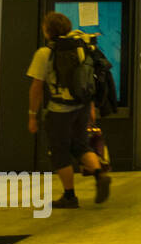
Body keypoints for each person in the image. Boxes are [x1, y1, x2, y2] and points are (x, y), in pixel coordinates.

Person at [26, 11, 111, 208]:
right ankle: (99, 174)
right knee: (81, 146)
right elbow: (87, 80)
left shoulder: (45, 53)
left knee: (59, 152)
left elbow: (36, 87)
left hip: (59, 111)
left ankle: (70, 196)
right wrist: (90, 107)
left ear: (47, 31)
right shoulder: (82, 49)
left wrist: (32, 115)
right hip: (81, 107)